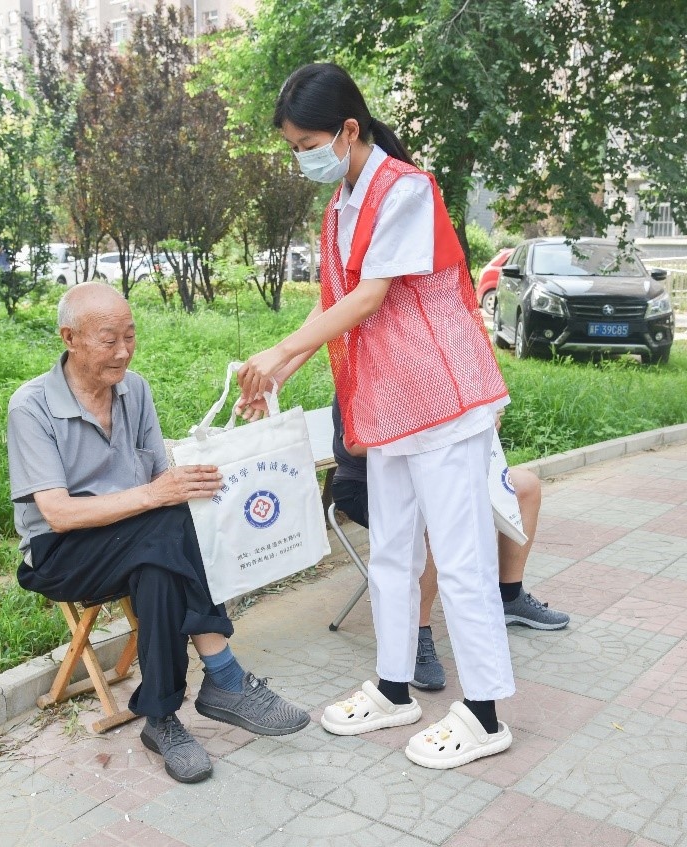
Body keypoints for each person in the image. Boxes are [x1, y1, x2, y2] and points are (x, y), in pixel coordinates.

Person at [236, 63, 514, 770]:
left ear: (348, 130)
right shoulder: (340, 207)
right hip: (388, 405)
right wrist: (276, 365)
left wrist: (282, 351)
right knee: (392, 550)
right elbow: (330, 302)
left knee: (459, 560)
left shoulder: (406, 189)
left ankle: (483, 713)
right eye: (293, 146)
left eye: (306, 143)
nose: (301, 157)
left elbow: (369, 299)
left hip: (442, 401)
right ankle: (394, 688)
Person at [6, 282, 309, 785]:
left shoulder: (136, 389)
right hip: (61, 554)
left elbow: (155, 476)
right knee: (168, 525)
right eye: (109, 340)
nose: (123, 351)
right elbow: (57, 513)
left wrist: (201, 461)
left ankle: (162, 719)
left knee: (159, 561)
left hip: (139, 539)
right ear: (69, 337)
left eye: (130, 336)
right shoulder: (31, 406)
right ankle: (225, 678)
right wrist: (157, 496)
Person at [329, 397, 569, 690]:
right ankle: (416, 635)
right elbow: (355, 445)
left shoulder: (442, 366)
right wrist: (440, 433)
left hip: (439, 470)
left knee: (526, 486)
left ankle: (511, 596)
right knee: (432, 518)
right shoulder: (367, 368)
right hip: (365, 484)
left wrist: (481, 423)